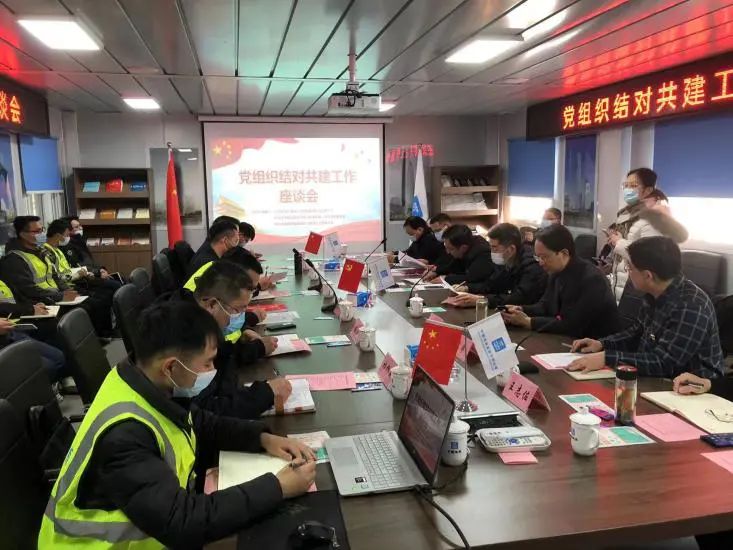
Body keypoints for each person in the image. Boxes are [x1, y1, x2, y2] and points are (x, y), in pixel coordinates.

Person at [38, 301, 316, 548]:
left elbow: (202, 422)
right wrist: (278, 487)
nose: (213, 371)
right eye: (207, 364)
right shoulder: (125, 435)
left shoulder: (143, 380)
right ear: (171, 367)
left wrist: (263, 439)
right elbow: (182, 522)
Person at [568, 237, 725, 379]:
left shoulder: (691, 306)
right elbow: (636, 333)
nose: (628, 273)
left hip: (690, 391)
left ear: (648, 276)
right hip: (657, 381)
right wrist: (602, 344)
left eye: (630, 268)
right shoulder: (653, 294)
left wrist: (606, 358)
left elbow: (664, 363)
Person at [171, 261, 289, 419]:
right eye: (238, 310)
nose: (241, 316)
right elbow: (203, 412)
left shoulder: (204, 323)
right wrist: (265, 394)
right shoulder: (185, 337)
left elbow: (224, 369)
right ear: (212, 305)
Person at [502, 224, 620, 338]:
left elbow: (572, 325)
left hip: (593, 343)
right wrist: (521, 309)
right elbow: (545, 306)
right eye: (538, 257)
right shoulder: (555, 271)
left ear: (564, 253)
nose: (540, 262)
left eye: (544, 257)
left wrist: (528, 322)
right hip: (566, 339)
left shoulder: (592, 279)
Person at [606, 168, 687, 312]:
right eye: (626, 185)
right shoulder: (630, 214)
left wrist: (619, 242)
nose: (628, 189)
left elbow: (648, 258)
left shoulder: (653, 218)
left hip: (638, 285)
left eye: (633, 185)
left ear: (648, 190)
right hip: (624, 280)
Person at [450, 223, 547, 308]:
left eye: (494, 247)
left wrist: (482, 300)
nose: (491, 251)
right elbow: (491, 284)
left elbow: (518, 298)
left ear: (511, 249)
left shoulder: (531, 265)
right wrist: (468, 288)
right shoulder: (505, 259)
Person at [0, 282, 65, 383]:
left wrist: (32, 306)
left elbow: (15, 299)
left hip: (9, 331)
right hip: (6, 334)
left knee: (58, 357)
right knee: (47, 366)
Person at [425, 224, 494, 287]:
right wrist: (436, 272)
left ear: (463, 247)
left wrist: (446, 279)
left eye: (451, 249)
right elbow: (453, 265)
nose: (448, 252)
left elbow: (472, 278)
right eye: (446, 247)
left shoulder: (482, 252)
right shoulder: (463, 245)